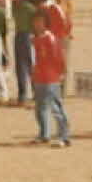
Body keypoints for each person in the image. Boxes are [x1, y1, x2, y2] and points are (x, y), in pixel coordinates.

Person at [31, 9, 70, 147]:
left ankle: (64, 136)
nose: (37, 24)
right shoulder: (35, 39)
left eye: (40, 21)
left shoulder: (50, 38)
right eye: (35, 21)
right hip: (39, 77)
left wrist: (60, 73)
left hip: (51, 78)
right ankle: (44, 134)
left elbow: (58, 56)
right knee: (40, 107)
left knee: (55, 107)